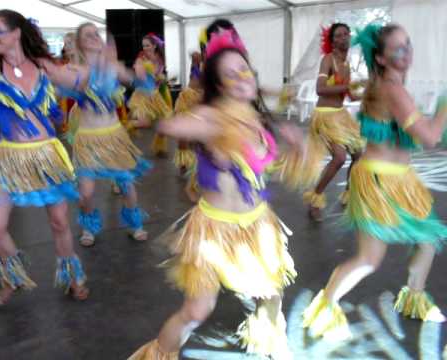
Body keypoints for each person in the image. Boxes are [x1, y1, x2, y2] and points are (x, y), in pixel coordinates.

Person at [128, 29, 301, 360]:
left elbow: (262, 170)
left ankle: (265, 338)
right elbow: (175, 126)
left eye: (244, 70)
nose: (239, 78)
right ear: (219, 86)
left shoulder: (258, 120)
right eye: (229, 74)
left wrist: (296, 147)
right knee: (197, 310)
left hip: (257, 224)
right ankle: (159, 354)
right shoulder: (212, 117)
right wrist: (172, 122)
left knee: (271, 295)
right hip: (214, 231)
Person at [303, 23, 447, 341]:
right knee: (369, 259)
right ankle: (325, 305)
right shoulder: (392, 89)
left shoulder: (386, 84)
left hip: (401, 180)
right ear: (381, 58)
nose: (406, 52)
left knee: (427, 240)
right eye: (397, 48)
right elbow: (430, 138)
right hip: (380, 182)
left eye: (407, 45)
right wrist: (444, 106)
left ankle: (415, 297)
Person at [0, 9, 90, 307]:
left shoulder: (43, 65)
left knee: (60, 222)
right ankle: (14, 276)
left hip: (46, 155)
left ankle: (73, 274)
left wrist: (92, 59)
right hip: (7, 158)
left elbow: (79, 81)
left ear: (16, 32)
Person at [62, 22, 151, 246]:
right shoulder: (73, 70)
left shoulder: (113, 67)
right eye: (87, 35)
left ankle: (135, 224)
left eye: (96, 34)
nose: (93, 37)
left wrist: (142, 76)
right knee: (86, 193)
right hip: (88, 138)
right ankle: (89, 227)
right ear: (80, 43)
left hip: (114, 136)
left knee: (126, 184)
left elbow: (140, 84)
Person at [303, 23, 365, 222]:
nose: (344, 37)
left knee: (358, 154)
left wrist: (368, 91)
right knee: (339, 158)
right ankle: (315, 198)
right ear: (333, 41)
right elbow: (320, 89)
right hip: (325, 115)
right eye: (339, 35)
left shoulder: (346, 64)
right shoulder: (327, 60)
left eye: (347, 34)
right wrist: (347, 85)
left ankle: (349, 193)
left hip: (340, 114)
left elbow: (351, 96)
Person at [129, 33, 172, 157]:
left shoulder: (159, 58)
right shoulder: (141, 58)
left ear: (154, 46)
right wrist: (143, 70)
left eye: (147, 45)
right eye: (143, 46)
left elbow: (158, 79)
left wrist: (161, 79)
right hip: (142, 95)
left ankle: (160, 148)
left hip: (155, 95)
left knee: (165, 122)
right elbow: (139, 75)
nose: (145, 48)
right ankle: (125, 127)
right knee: (145, 123)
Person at [173, 51, 203, 178]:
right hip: (186, 99)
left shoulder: (212, 64)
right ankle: (183, 163)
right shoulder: (197, 63)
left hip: (201, 101)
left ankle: (198, 164)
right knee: (183, 136)